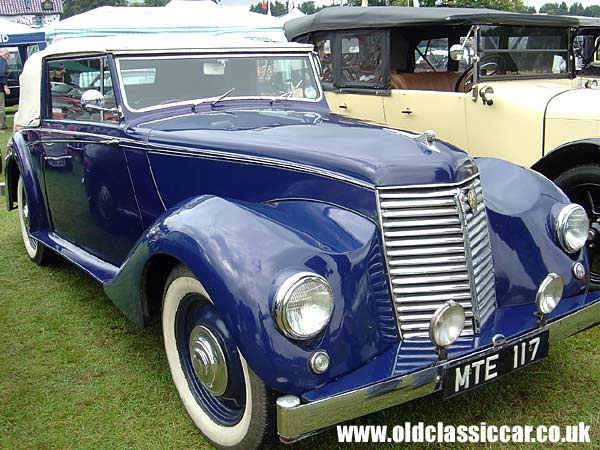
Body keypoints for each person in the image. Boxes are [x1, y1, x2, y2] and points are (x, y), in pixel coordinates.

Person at [0, 48, 10, 132]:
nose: (8, 56)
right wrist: (5, 87)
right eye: (8, 54)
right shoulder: (2, 61)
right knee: (1, 108)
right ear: (4, 54)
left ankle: (3, 125)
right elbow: (2, 73)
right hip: (0, 88)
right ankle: (1, 126)